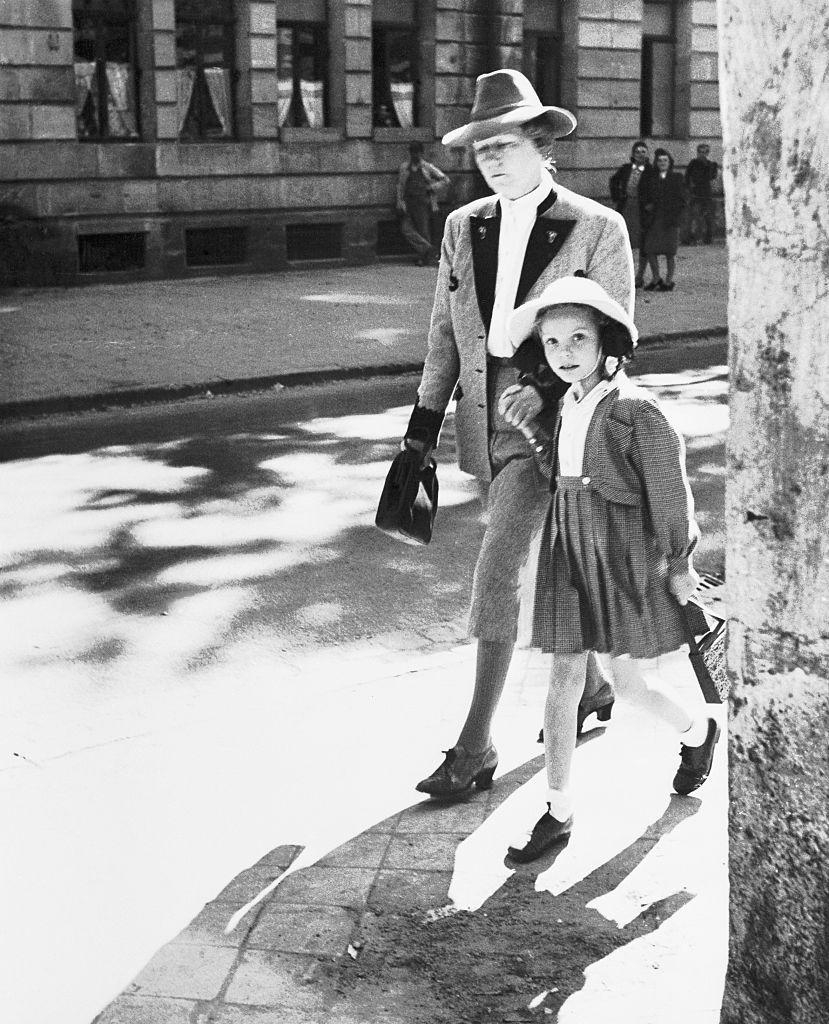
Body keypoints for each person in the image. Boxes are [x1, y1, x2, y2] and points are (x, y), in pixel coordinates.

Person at [402, 69, 634, 800]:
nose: (493, 160)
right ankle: (591, 685)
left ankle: (474, 746)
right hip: (483, 419)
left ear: (542, 145)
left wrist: (542, 386)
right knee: (542, 563)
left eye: (505, 144)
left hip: (558, 424)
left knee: (499, 567)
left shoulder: (597, 227)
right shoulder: (461, 225)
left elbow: (617, 339)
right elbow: (445, 335)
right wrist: (420, 430)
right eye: (482, 149)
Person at [499, 275, 720, 862]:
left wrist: (680, 560)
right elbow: (562, 474)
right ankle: (558, 811)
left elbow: (669, 493)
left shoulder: (635, 411)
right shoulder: (566, 404)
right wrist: (532, 429)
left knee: (631, 686)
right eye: (552, 342)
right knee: (563, 679)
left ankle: (699, 732)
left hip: (619, 555)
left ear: (607, 340)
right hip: (568, 552)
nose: (565, 352)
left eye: (578, 337)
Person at [640, 148, 687, 291]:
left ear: (670, 162)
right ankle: (656, 278)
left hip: (670, 220)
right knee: (650, 249)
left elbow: (683, 199)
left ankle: (668, 281)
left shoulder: (677, 177)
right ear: (656, 163)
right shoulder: (652, 179)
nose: (662, 163)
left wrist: (676, 214)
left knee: (670, 252)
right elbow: (645, 196)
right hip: (654, 219)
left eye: (665, 160)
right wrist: (648, 205)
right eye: (659, 160)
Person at [396, 141, 450, 266]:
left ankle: (423, 258)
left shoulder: (427, 167)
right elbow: (400, 186)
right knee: (406, 229)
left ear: (421, 153)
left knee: (423, 230)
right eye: (412, 152)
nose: (415, 155)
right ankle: (429, 249)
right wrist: (399, 202)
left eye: (417, 152)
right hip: (408, 202)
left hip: (423, 202)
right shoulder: (404, 167)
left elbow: (445, 180)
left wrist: (432, 187)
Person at [609, 141, 651, 288]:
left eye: (643, 152)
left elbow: (657, 189)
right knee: (624, 240)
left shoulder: (651, 171)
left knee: (643, 242)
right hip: (626, 207)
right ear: (633, 154)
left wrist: (651, 203)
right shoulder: (626, 169)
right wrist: (617, 196)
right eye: (637, 152)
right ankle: (624, 274)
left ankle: (640, 276)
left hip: (643, 210)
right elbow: (613, 181)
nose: (640, 154)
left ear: (647, 154)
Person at [685, 142, 719, 245]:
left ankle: (708, 238)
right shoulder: (693, 163)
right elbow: (687, 177)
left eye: (704, 152)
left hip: (706, 193)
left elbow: (712, 177)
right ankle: (692, 238)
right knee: (693, 216)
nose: (702, 154)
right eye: (700, 152)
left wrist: (707, 166)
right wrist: (689, 189)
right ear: (697, 152)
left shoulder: (711, 165)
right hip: (695, 193)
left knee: (707, 216)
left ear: (708, 153)